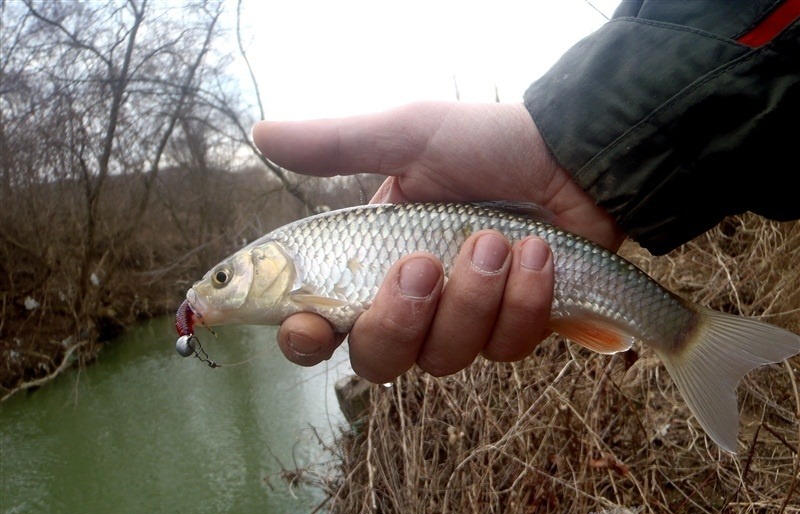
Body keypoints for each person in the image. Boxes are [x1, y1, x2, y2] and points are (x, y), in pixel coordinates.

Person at [251, 0, 799, 384]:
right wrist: (577, 154)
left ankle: (687, 334)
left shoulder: (302, 254)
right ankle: (679, 330)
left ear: (269, 265)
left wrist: (563, 155)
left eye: (225, 278)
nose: (215, 290)